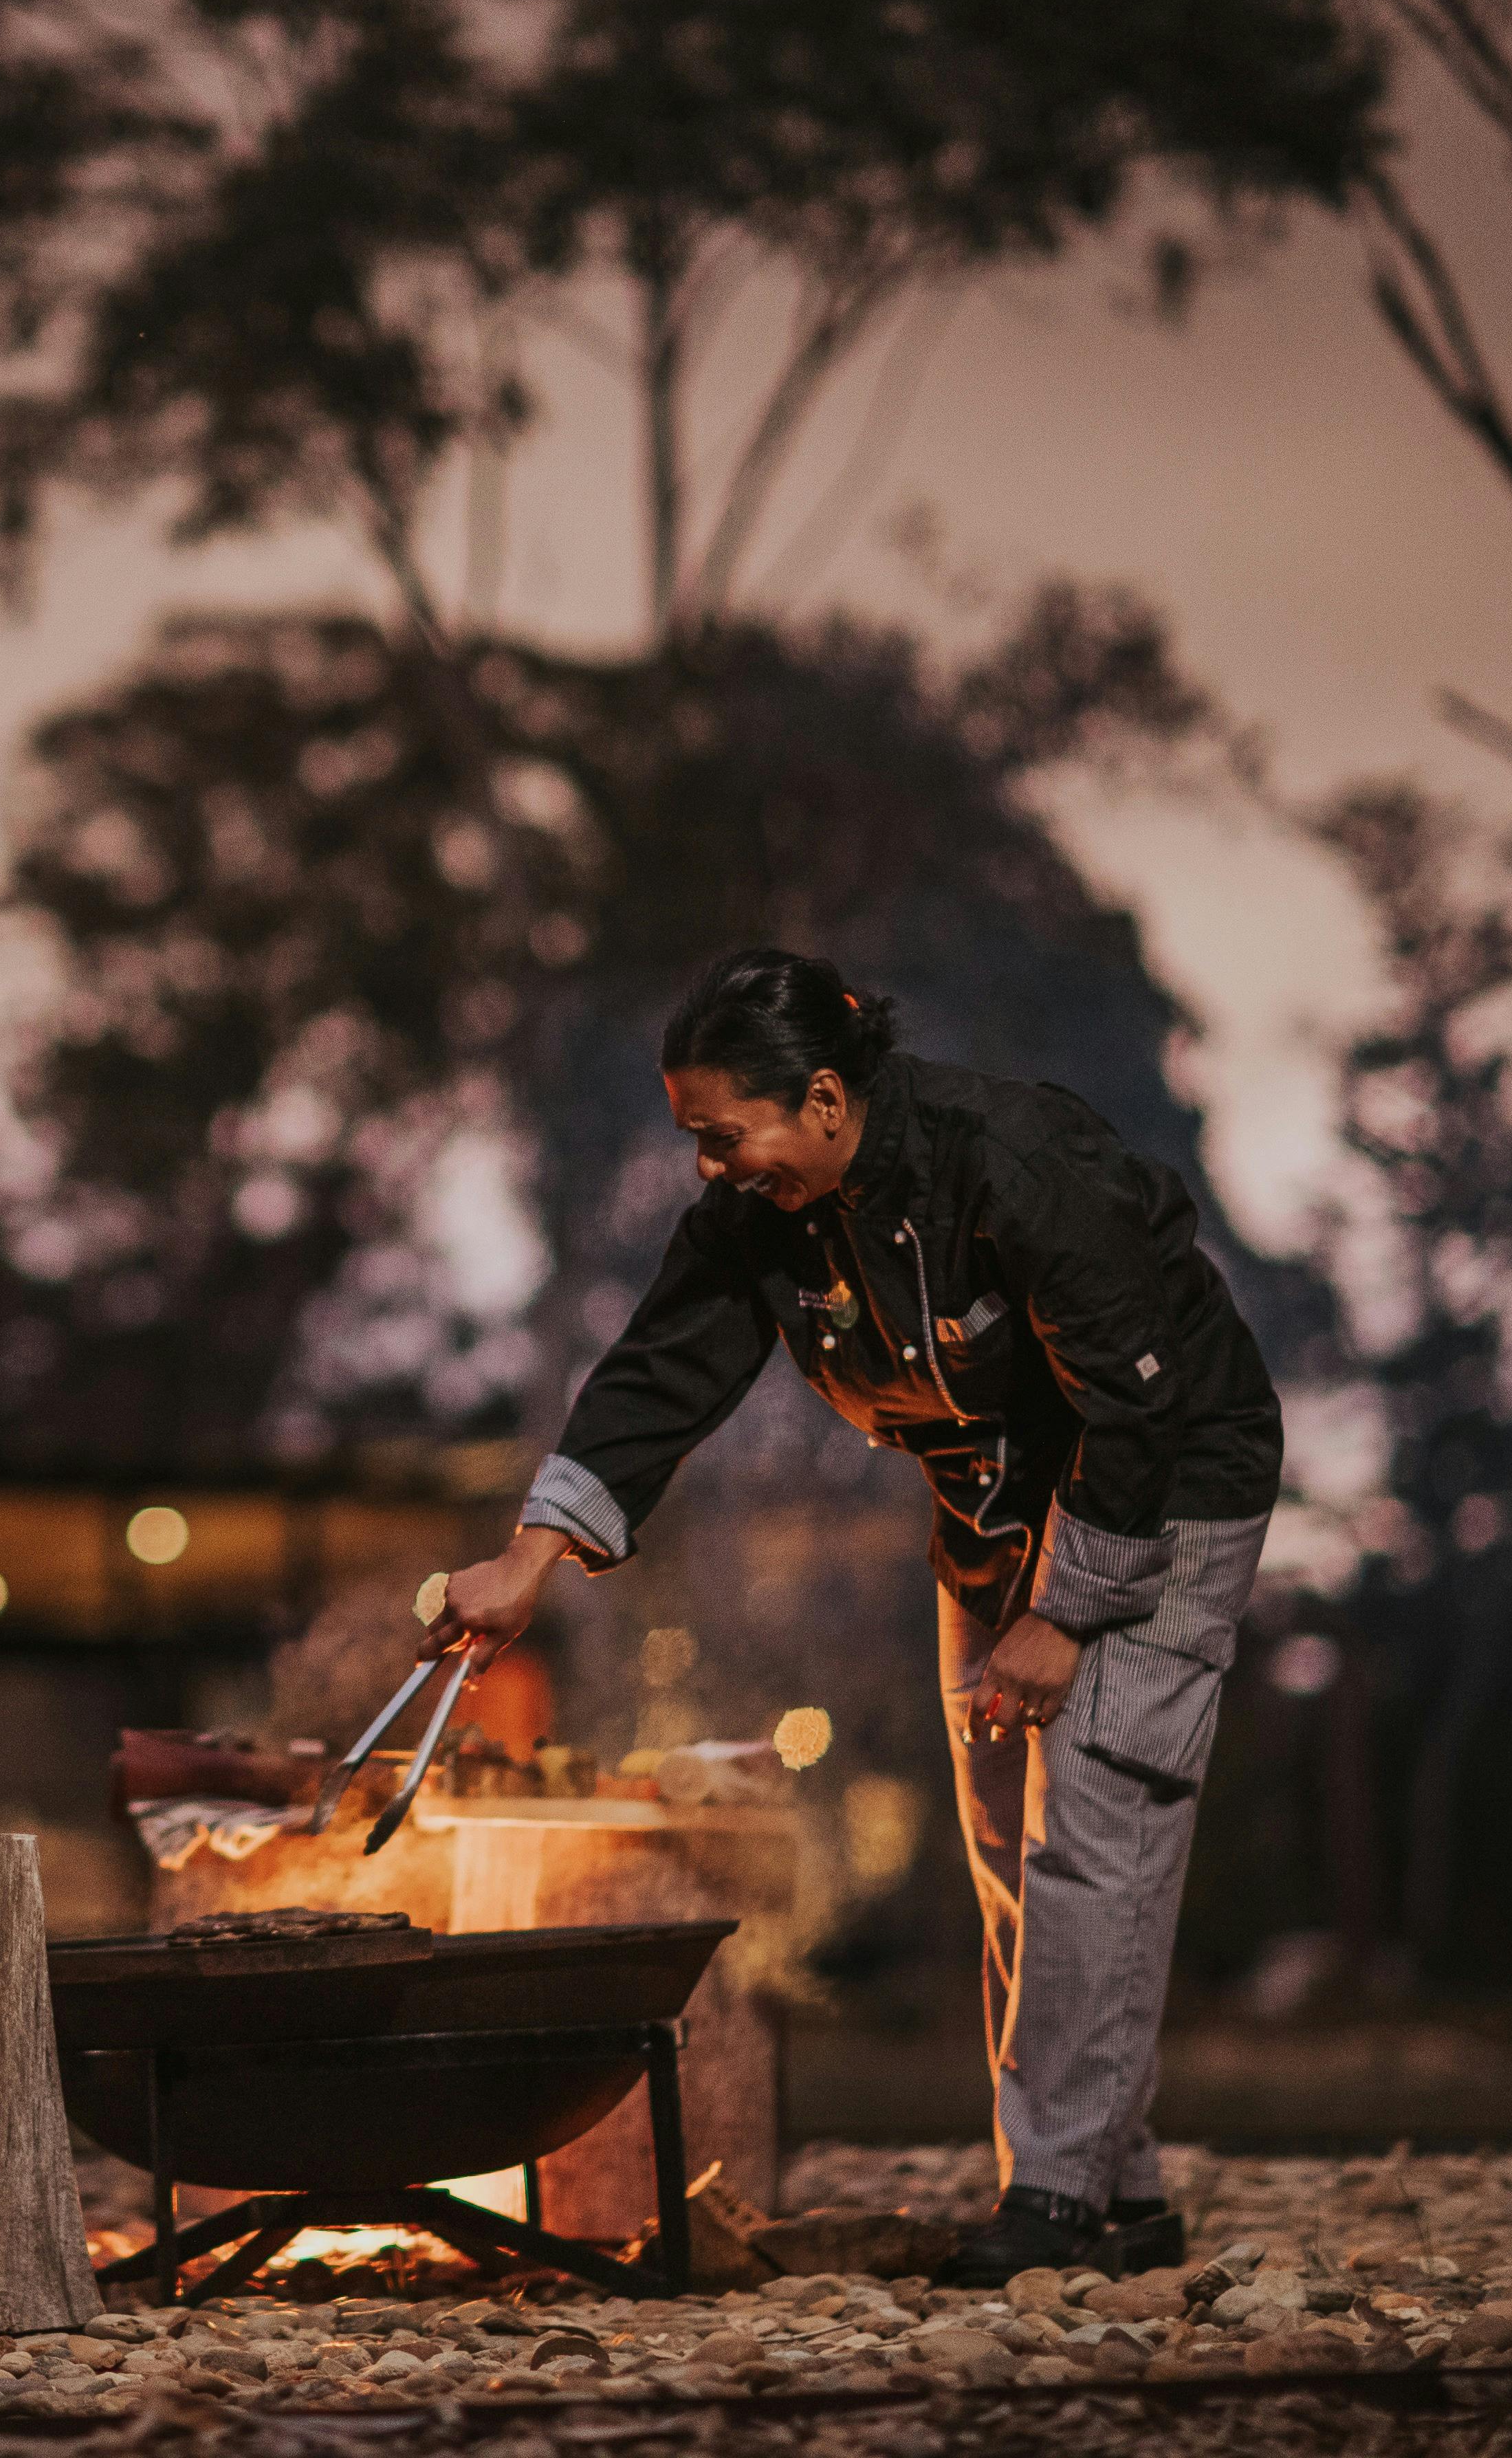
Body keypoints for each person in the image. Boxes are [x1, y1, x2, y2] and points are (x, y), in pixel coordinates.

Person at [421, 948, 1284, 2288]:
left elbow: (1139, 1398)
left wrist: (1068, 1613)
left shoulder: (1017, 1159)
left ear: (824, 1099)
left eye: (725, 1135)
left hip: (1157, 1496)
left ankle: (1055, 2198)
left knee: (1094, 1838)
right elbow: (660, 1371)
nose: (711, 1165)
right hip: (989, 1511)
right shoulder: (765, 1213)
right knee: (1010, 1843)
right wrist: (528, 1562)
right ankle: (1116, 2194)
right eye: (693, 1141)